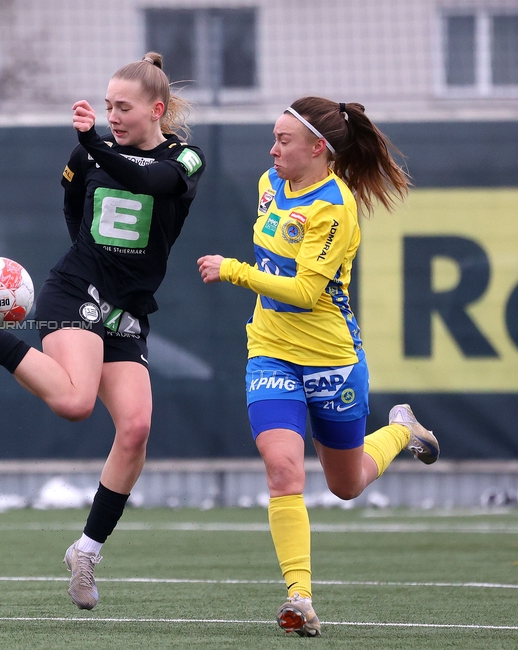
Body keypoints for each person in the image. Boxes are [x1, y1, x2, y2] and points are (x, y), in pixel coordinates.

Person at [0, 53, 205, 610]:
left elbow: (145, 178)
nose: (113, 116)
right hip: (75, 291)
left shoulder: (185, 159)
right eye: (107, 107)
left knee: (136, 429)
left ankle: (85, 550)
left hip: (126, 310)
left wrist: (97, 142)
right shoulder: (89, 153)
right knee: (76, 403)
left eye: (123, 107)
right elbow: (73, 207)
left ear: (157, 109)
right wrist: (91, 261)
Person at [196, 97, 440, 637]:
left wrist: (234, 270)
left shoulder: (335, 206)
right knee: (282, 468)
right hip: (270, 351)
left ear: (318, 149)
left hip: (331, 358)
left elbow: (307, 292)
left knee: (346, 486)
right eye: (274, 137)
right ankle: (300, 597)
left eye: (284, 140)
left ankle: (400, 429)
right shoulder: (269, 183)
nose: (273, 148)